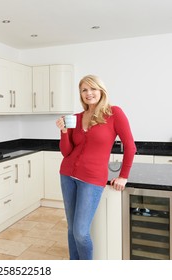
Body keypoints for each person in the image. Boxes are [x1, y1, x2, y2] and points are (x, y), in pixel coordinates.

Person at [55, 74, 136, 260]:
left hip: (92, 179)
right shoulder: (76, 117)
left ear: (101, 91)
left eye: (93, 89)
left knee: (81, 232)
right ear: (80, 94)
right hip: (67, 175)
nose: (88, 93)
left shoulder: (114, 113)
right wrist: (64, 132)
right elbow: (66, 152)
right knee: (71, 229)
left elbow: (130, 146)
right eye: (84, 90)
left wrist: (123, 175)